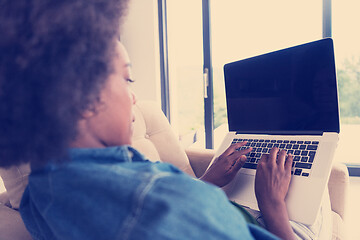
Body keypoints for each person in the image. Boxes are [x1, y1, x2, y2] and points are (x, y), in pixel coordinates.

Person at [0, 1, 325, 239]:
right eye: (127, 79)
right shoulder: (167, 203)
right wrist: (274, 210)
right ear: (84, 98)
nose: (134, 98)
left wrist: (207, 181)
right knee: (317, 199)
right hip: (274, 228)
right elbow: (163, 210)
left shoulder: (40, 193)